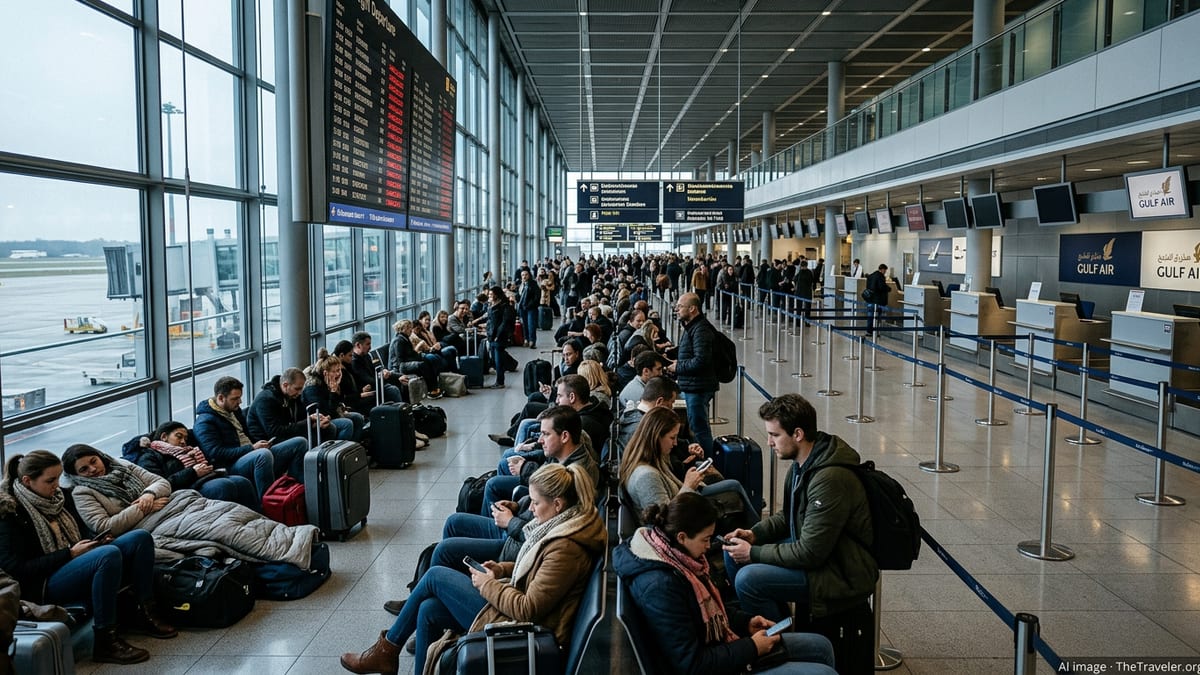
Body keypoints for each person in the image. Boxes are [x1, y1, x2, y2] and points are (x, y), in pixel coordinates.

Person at [341, 463, 606, 674]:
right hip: (519, 610)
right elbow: (539, 569)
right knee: (428, 609)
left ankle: (387, 650)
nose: (532, 509)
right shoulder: (563, 527)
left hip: (524, 628)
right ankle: (394, 656)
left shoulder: (566, 548)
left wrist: (487, 584)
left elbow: (529, 609)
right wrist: (502, 569)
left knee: (434, 576)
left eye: (536, 503)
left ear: (558, 504)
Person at [614, 493, 837, 675]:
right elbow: (692, 665)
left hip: (724, 649)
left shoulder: (678, 560)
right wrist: (752, 648)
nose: (709, 546)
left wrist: (746, 622)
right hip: (716, 664)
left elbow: (705, 615)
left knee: (821, 646)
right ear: (682, 537)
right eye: (705, 539)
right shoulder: (661, 585)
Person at [0, 451, 176, 665]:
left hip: (70, 563)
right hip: (42, 584)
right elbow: (15, 569)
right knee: (107, 555)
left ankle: (146, 611)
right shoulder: (11, 514)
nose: (56, 485)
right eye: (50, 480)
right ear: (28, 481)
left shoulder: (60, 498)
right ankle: (105, 639)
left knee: (139, 538)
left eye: (57, 478)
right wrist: (70, 553)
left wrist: (96, 540)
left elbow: (82, 532)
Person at [721, 394, 877, 622]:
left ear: (798, 434)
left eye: (774, 435)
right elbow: (789, 515)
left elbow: (810, 553)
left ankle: (781, 644)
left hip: (838, 570)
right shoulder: (804, 464)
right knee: (732, 555)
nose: (769, 442)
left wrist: (753, 552)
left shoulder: (830, 478)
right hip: (818, 552)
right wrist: (755, 534)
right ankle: (776, 622)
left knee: (748, 579)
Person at [62, 445, 321, 569]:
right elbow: (104, 526)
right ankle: (290, 550)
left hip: (177, 504)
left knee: (232, 512)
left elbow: (160, 483)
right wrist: (144, 506)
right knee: (222, 530)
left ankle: (296, 538)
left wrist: (149, 494)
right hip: (150, 523)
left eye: (93, 462)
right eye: (84, 469)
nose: (93, 470)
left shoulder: (122, 466)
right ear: (77, 475)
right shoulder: (83, 492)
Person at [618, 407, 758, 527]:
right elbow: (664, 521)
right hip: (682, 528)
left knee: (732, 494)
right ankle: (755, 532)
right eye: (672, 438)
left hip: (685, 513)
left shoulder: (652, 459)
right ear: (656, 437)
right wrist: (688, 486)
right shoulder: (647, 476)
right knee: (734, 500)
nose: (675, 444)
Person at [121, 421, 259, 509]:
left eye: (185, 438)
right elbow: (161, 483)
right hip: (184, 490)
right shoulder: (149, 456)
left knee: (243, 482)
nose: (183, 442)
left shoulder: (187, 452)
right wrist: (193, 472)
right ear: (163, 437)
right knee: (224, 486)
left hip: (203, 479)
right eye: (178, 436)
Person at [248, 367, 350, 478]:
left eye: (301, 389)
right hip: (270, 443)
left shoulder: (291, 395)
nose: (300, 392)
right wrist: (308, 423)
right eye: (297, 389)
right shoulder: (266, 400)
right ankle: (300, 478)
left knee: (329, 428)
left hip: (286, 434)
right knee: (301, 442)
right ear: (286, 385)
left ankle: (324, 467)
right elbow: (275, 432)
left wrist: (315, 421)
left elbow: (301, 417)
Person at [193, 376, 278, 498]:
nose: (240, 402)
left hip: (250, 453)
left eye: (240, 397)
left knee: (298, 443)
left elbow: (247, 433)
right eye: (235, 398)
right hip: (230, 464)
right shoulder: (205, 423)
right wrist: (252, 448)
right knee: (263, 455)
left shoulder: (234, 411)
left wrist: (259, 443)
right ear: (221, 398)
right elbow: (215, 453)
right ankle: (269, 502)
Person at [667, 292, 720, 454]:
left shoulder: (700, 330)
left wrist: (678, 367)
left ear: (692, 308)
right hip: (693, 385)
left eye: (680, 306)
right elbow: (692, 350)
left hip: (698, 387)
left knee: (700, 429)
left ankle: (708, 463)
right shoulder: (693, 327)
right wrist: (673, 352)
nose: (677, 310)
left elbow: (701, 361)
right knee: (697, 426)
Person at [302, 350, 367, 443]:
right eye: (334, 371)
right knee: (346, 424)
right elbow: (324, 413)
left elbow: (339, 403)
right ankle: (338, 453)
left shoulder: (332, 381)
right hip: (319, 421)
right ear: (325, 373)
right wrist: (333, 392)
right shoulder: (312, 387)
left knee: (357, 418)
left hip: (332, 414)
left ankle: (353, 448)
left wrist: (336, 391)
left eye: (339, 370)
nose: (338, 374)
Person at [389, 320, 443, 400]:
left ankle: (433, 388)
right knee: (422, 365)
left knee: (427, 360)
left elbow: (411, 354)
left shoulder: (404, 338)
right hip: (399, 366)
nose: (411, 330)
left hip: (405, 363)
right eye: (409, 328)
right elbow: (400, 360)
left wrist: (421, 356)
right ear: (403, 329)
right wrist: (418, 357)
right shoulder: (399, 340)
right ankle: (432, 389)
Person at [485, 285, 517, 388]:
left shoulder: (504, 306)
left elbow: (504, 323)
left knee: (498, 360)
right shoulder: (492, 305)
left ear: (496, 295)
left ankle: (500, 381)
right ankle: (499, 380)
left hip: (499, 337)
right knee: (495, 359)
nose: (489, 296)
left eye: (491, 294)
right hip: (492, 335)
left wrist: (498, 335)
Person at [864, 264, 890, 337]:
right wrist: (888, 289)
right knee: (877, 316)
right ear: (882, 269)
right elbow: (882, 287)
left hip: (870, 299)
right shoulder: (880, 276)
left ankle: (869, 331)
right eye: (885, 270)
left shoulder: (871, 275)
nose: (885, 272)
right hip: (878, 300)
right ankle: (875, 331)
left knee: (870, 316)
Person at [517, 268, 540, 348]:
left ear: (529, 275)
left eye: (526, 275)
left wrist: (530, 305)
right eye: (522, 275)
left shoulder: (533, 284)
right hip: (522, 308)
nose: (524, 276)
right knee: (524, 325)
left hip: (531, 308)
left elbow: (537, 297)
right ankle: (526, 339)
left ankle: (532, 341)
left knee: (531, 325)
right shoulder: (521, 285)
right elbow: (519, 296)